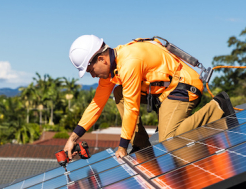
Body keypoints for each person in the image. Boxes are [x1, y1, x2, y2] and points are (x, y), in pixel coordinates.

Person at [64, 35, 230, 159]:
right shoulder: (112, 71)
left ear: (102, 59)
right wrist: (73, 138)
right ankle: (142, 146)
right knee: (118, 92)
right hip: (162, 93)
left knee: (169, 139)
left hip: (183, 87)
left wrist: (123, 146)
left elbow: (132, 107)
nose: (92, 76)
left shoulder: (129, 62)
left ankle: (217, 107)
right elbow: (97, 104)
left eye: (91, 70)